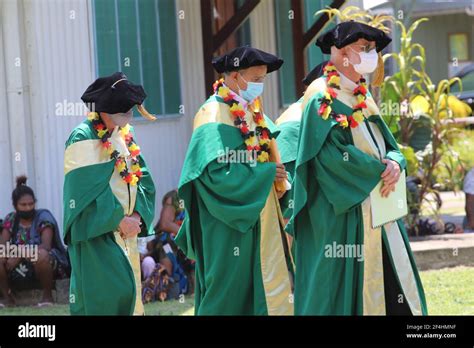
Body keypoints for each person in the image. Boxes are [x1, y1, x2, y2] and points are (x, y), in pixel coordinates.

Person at [287, 21, 427, 315]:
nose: (371, 54)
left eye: (372, 49)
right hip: (344, 213)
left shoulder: (362, 95)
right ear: (339, 53)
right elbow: (329, 157)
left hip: (380, 207)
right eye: (364, 48)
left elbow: (388, 144)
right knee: (345, 289)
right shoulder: (321, 96)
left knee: (393, 284)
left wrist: (396, 163)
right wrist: (380, 170)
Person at [176, 46, 293, 315]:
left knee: (258, 288)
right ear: (235, 76)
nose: (259, 85)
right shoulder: (212, 115)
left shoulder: (252, 111)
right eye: (256, 78)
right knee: (228, 293)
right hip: (226, 224)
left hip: (258, 217)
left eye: (263, 79)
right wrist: (264, 175)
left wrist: (278, 178)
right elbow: (215, 174)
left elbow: (269, 152)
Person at [63, 72, 156, 315]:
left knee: (130, 298)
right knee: (105, 300)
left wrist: (137, 216)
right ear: (105, 108)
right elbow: (83, 194)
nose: (128, 116)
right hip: (99, 235)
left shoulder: (124, 133)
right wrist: (117, 220)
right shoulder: (83, 136)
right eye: (124, 110)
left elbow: (142, 176)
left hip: (128, 233)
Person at [0, 176, 69, 308]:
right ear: (15, 206)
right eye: (23, 205)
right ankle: (7, 298)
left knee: (41, 255)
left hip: (45, 262)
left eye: (31, 204)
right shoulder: (11, 219)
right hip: (16, 266)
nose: (28, 208)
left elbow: (46, 246)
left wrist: (20, 255)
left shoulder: (43, 216)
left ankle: (47, 297)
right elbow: (2, 247)